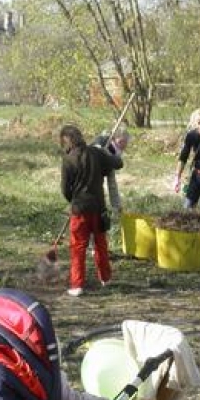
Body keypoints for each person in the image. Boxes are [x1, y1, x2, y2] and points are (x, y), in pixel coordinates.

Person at [59, 124, 123, 297]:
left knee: (78, 247)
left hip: (80, 209)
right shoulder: (97, 153)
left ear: (67, 142)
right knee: (100, 244)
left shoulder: (68, 160)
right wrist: (106, 157)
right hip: (98, 207)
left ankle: (77, 284)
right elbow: (118, 163)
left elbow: (65, 189)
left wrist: (73, 199)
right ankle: (106, 278)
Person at [91, 126, 130, 213]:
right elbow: (96, 146)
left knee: (111, 183)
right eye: (125, 142)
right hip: (92, 171)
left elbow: (112, 183)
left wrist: (117, 205)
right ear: (119, 140)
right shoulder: (104, 142)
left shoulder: (116, 150)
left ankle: (116, 207)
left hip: (104, 168)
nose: (126, 145)